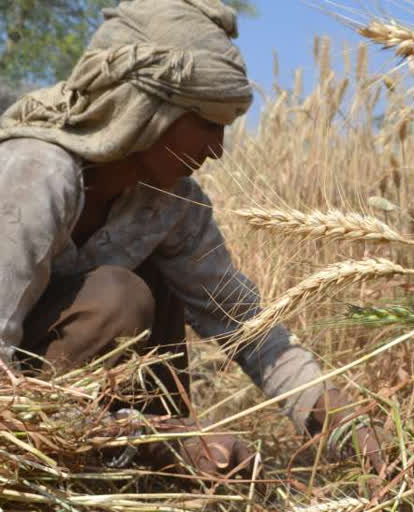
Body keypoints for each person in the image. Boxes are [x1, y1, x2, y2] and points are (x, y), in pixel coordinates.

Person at [0, 0, 382, 475]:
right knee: (118, 295)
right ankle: (111, 462)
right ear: (146, 111)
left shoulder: (171, 202)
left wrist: (334, 415)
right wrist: (159, 441)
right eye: (207, 125)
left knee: (164, 279)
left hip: (95, 414)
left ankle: (135, 475)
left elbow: (243, 325)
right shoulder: (34, 172)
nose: (217, 150)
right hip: (21, 411)